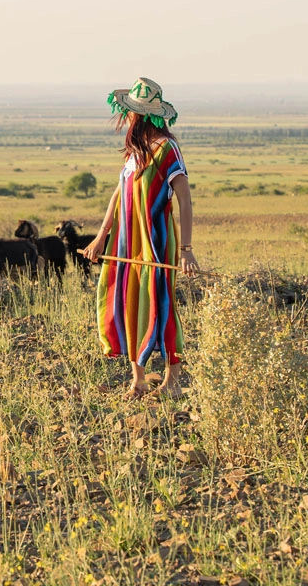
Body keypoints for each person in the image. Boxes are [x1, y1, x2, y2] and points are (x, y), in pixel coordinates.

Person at [81, 77, 200, 399]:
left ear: (142, 116)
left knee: (160, 304)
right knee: (128, 301)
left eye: (130, 113)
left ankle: (172, 381)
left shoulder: (166, 148)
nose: (126, 118)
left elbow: (185, 199)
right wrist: (101, 236)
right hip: (126, 242)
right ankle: (138, 380)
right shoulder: (134, 153)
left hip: (155, 243)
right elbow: (119, 195)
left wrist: (186, 250)